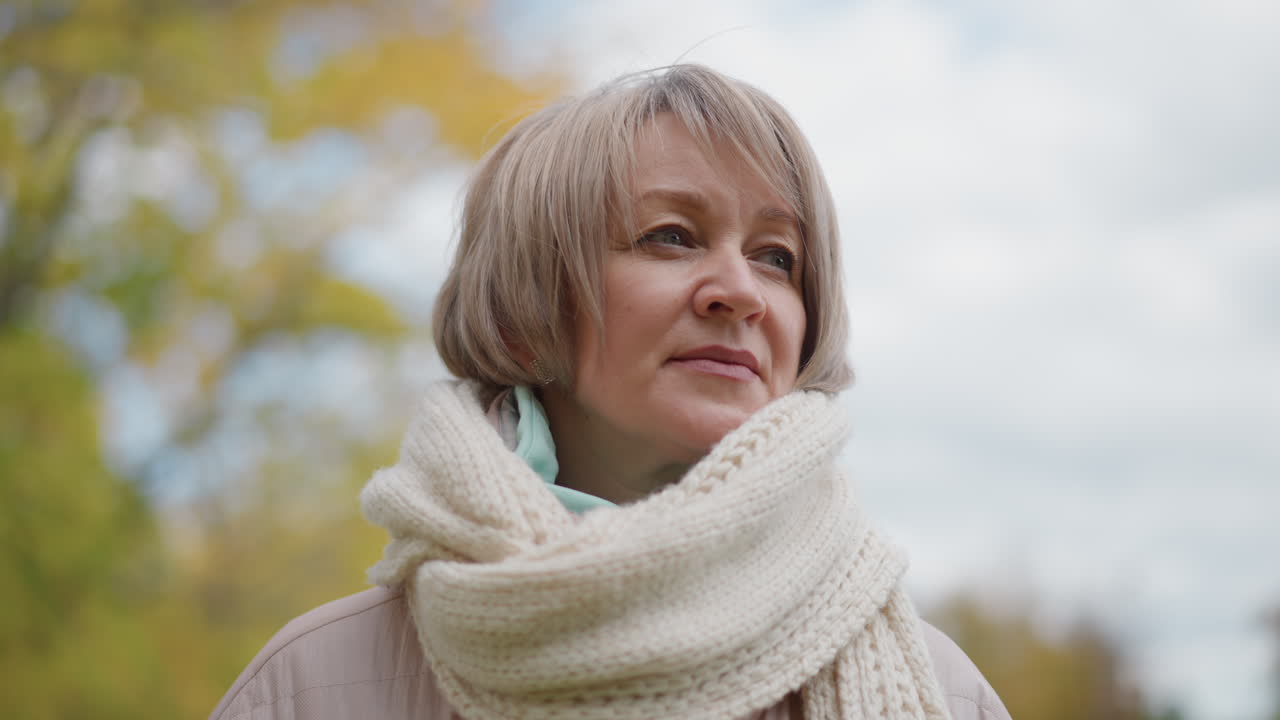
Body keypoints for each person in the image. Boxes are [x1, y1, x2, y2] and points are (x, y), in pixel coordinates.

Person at [211, 64, 1012, 720]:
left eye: (777, 257)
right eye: (671, 236)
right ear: (526, 314)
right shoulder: (307, 690)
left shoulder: (944, 695)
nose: (741, 291)